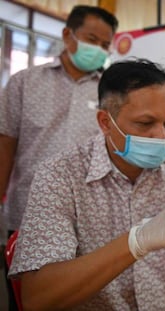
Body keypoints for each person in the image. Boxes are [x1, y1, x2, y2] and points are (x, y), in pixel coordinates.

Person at [8, 58, 165, 310]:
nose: (162, 136)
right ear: (106, 123)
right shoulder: (60, 175)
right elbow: (37, 298)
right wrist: (136, 241)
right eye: (145, 123)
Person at [0, 5, 118, 235]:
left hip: (89, 215)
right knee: (24, 271)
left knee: (84, 271)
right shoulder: (24, 82)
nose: (98, 49)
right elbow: (5, 146)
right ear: (68, 35)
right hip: (28, 209)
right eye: (91, 39)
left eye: (105, 45)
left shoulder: (110, 93)